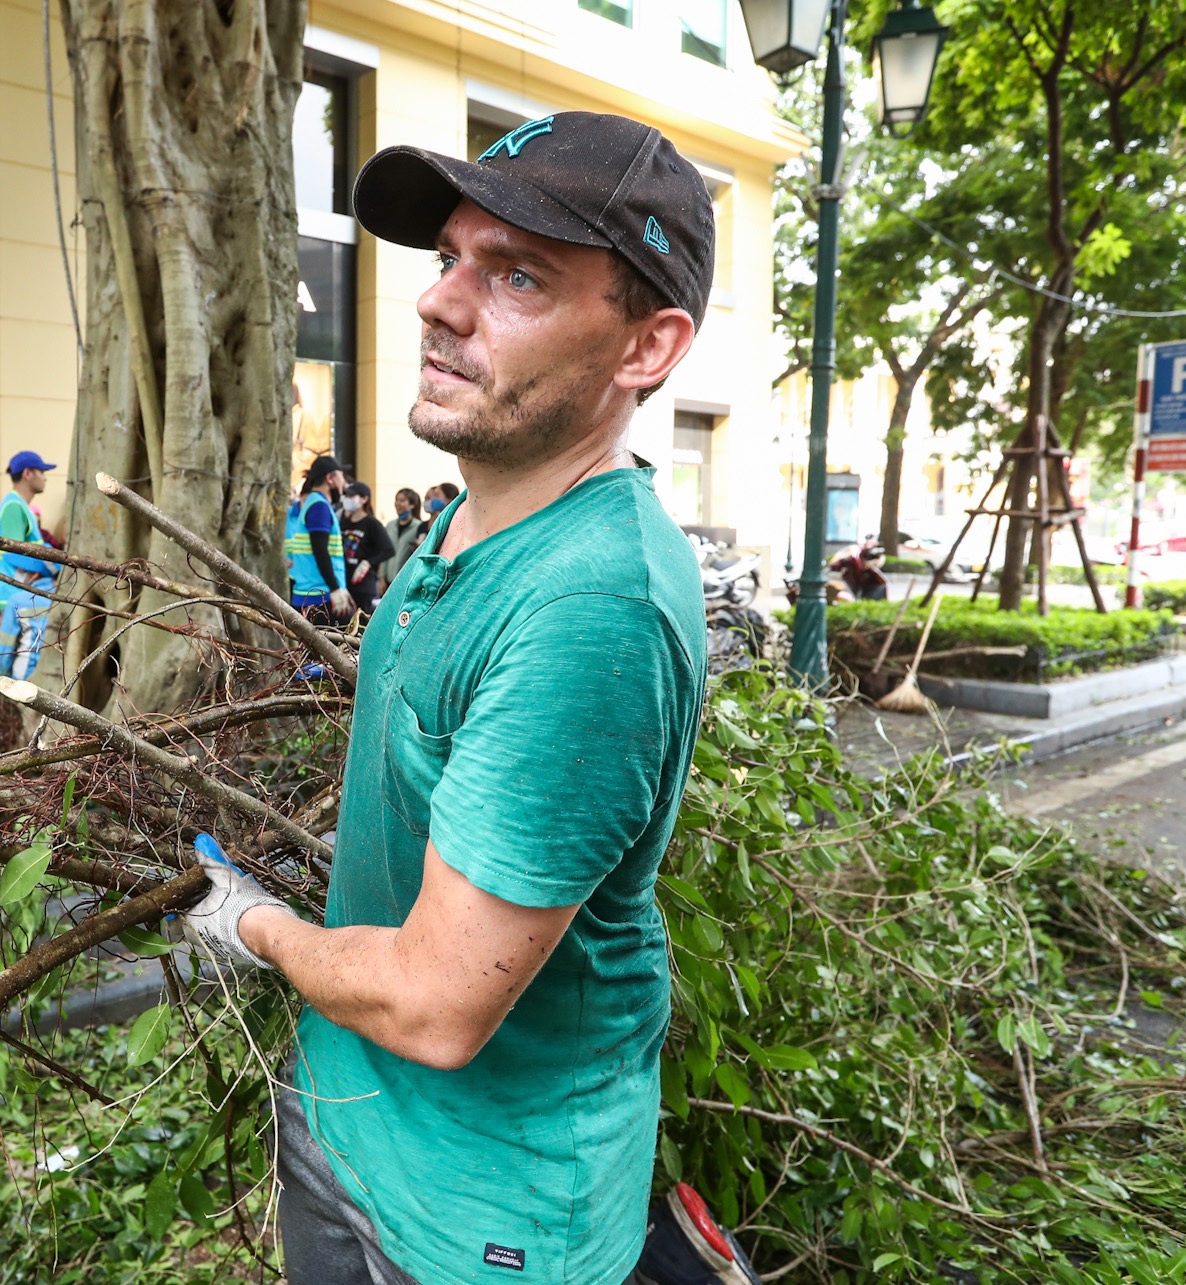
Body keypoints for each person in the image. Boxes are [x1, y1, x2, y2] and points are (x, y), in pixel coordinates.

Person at [182, 111, 711, 1284]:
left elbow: (434, 1006)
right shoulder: (468, 511)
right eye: (448, 261)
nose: (439, 303)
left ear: (644, 347)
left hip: (472, 1220)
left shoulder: (590, 606)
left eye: (517, 274)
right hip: (348, 1114)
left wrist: (254, 926)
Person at [0, 451, 56, 680]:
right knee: (27, 648)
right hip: (16, 591)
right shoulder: (14, 507)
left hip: (20, 590)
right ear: (28, 474)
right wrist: (50, 566)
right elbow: (14, 553)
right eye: (42, 472)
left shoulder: (19, 506)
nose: (45, 477)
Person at [284, 454, 352, 624]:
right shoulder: (319, 507)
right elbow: (320, 551)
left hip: (313, 594)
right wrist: (335, 588)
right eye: (341, 475)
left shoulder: (315, 504)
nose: (343, 482)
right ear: (330, 478)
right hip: (319, 597)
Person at [338, 482, 395, 614]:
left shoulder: (372, 524)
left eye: (351, 496)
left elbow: (388, 550)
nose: (347, 499)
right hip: (344, 583)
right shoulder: (343, 522)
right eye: (346, 495)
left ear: (364, 499)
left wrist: (368, 562)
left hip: (363, 586)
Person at [384, 487, 426, 584]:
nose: (398, 504)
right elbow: (385, 551)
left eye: (402, 500)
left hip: (405, 580)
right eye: (396, 500)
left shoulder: (418, 527)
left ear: (412, 505)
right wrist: (382, 576)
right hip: (388, 578)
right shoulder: (390, 525)